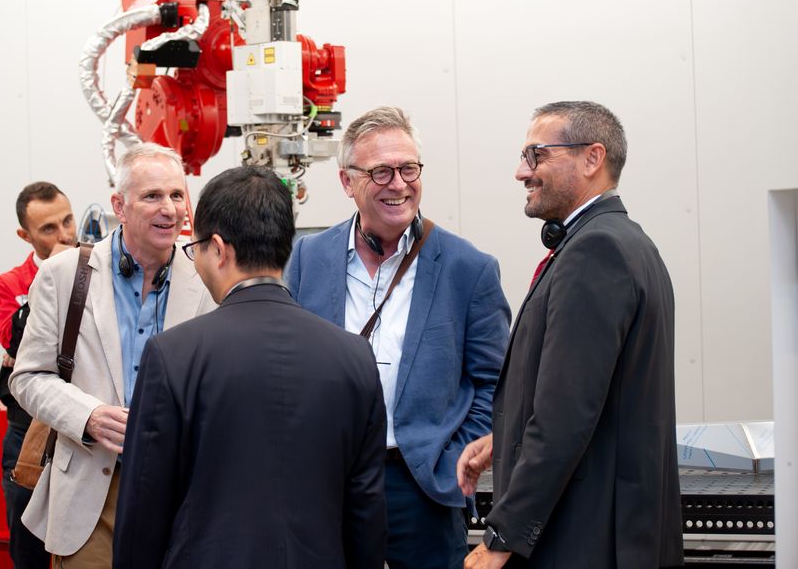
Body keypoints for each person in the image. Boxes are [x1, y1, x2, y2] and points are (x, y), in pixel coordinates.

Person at [113, 165, 388, 569]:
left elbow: (144, 508)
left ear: (219, 249)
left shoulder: (173, 355)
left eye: (196, 248)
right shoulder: (354, 356)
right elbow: (366, 507)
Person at [457, 101, 683, 568]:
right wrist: (505, 436)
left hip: (585, 542)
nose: (522, 172)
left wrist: (501, 537)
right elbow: (599, 396)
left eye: (536, 155)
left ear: (592, 158)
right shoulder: (629, 243)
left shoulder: (595, 251)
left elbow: (565, 416)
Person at [286, 106, 511, 569]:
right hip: (324, 482)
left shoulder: (468, 269)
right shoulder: (307, 258)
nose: (399, 184)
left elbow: (496, 385)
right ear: (347, 182)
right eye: (381, 172)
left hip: (422, 487)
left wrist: (453, 458)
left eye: (409, 169)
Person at [9, 143, 216, 568]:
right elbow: (28, 377)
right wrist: (88, 416)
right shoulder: (64, 275)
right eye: (153, 196)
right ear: (119, 206)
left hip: (181, 493)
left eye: (177, 195)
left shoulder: (206, 277)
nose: (170, 209)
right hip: (91, 491)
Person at [0, 181, 75, 568]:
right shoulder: (7, 284)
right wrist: (52, 275)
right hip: (28, 431)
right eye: (49, 228)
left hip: (86, 426)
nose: (65, 235)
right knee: (29, 550)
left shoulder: (100, 269)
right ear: (25, 236)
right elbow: (14, 340)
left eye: (68, 221)